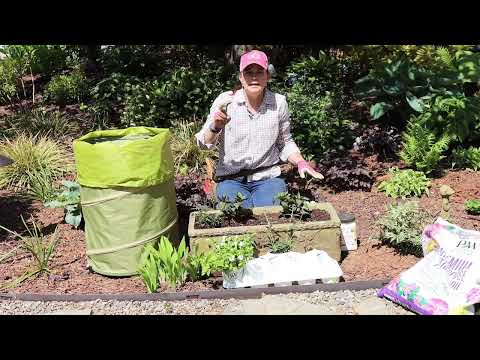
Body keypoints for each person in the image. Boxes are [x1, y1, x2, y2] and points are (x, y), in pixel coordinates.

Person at [195, 50, 323, 208]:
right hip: (232, 180)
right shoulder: (226, 102)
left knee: (270, 212)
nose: (254, 77)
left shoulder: (279, 103)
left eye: (259, 72)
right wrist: (215, 127)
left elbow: (285, 142)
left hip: (268, 179)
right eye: (249, 72)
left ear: (267, 76)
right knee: (238, 213)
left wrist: (300, 161)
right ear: (241, 77)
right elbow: (203, 144)